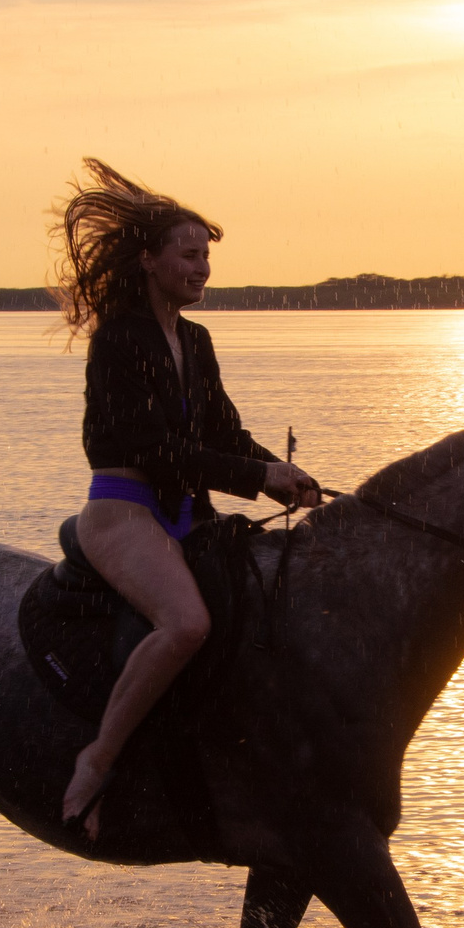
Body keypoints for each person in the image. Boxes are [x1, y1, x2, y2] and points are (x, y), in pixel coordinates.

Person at [57, 160, 319, 836]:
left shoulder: (196, 340)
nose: (203, 267)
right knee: (186, 624)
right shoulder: (117, 338)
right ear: (149, 260)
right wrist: (255, 478)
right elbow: (152, 450)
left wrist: (281, 471)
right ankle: (97, 760)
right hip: (121, 512)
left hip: (185, 514)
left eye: (207, 256)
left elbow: (224, 432)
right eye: (189, 254)